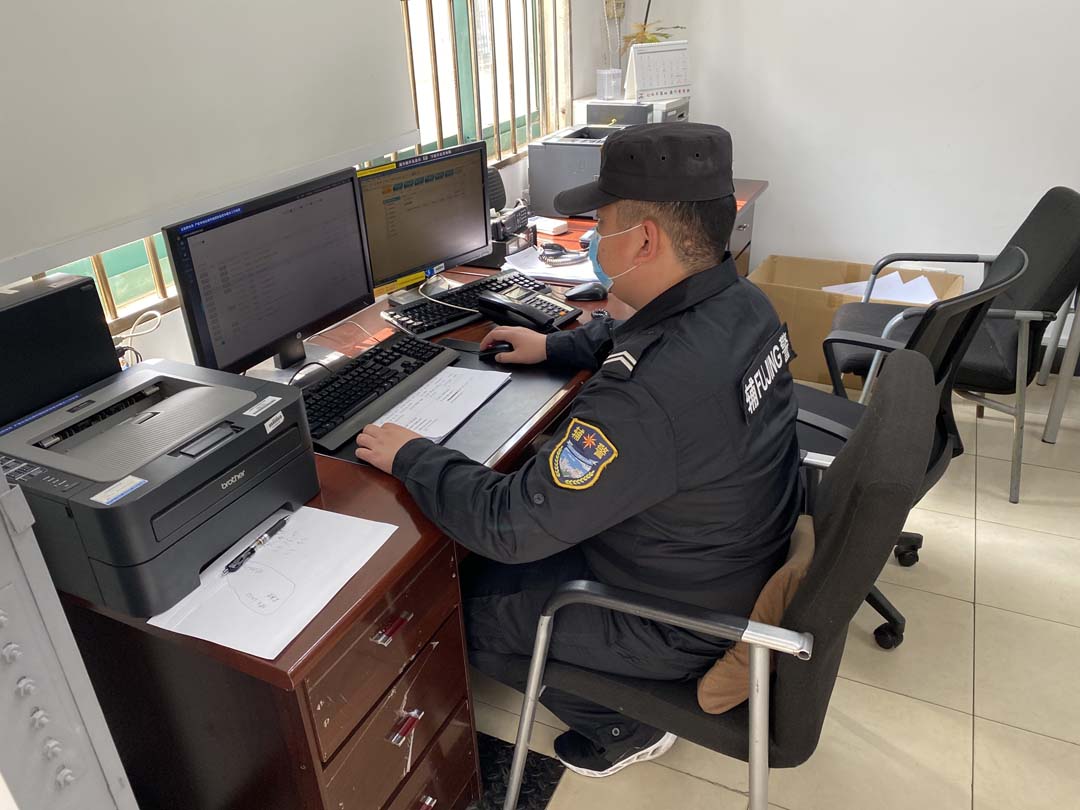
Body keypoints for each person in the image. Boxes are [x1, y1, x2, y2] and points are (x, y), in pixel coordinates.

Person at [356, 123, 802, 777]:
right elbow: (651, 335)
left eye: (600, 223)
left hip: (675, 619)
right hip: (727, 560)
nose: (592, 237)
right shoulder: (744, 303)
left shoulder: (646, 397)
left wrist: (413, 455)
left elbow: (511, 525)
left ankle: (624, 725)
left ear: (644, 240)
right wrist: (554, 344)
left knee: (458, 603)